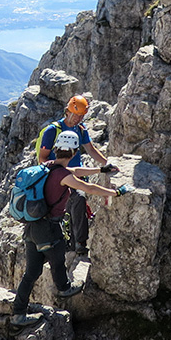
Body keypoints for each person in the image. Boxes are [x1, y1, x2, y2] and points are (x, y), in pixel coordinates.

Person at [11, 130, 129, 328]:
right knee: (57, 257)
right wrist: (115, 192)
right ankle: (64, 288)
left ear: (56, 149)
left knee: (31, 273)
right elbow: (88, 188)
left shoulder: (49, 166)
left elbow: (76, 172)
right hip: (48, 228)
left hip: (32, 227)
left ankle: (18, 315)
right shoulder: (63, 175)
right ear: (74, 153)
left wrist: (101, 170)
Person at [37, 94, 116, 256]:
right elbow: (42, 158)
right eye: (76, 115)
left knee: (79, 200)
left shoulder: (80, 129)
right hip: (58, 177)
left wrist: (107, 164)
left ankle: (79, 243)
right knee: (68, 205)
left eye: (81, 116)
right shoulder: (53, 131)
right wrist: (56, 174)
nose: (78, 119)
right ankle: (64, 242)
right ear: (67, 111)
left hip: (75, 175)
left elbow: (91, 149)